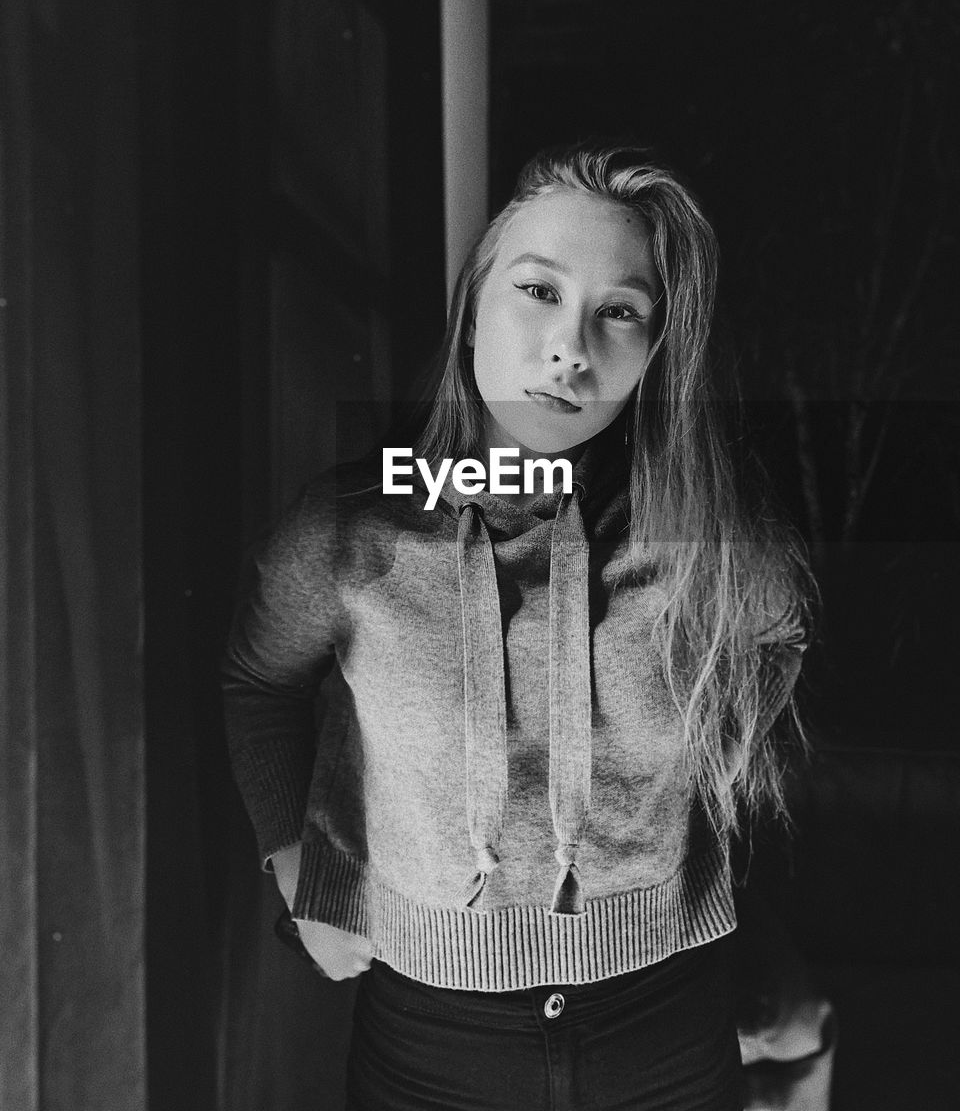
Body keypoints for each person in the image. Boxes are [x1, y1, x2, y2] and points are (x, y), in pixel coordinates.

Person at [221, 142, 814, 1110]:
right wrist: (295, 865)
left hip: (665, 1024)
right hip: (429, 1037)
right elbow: (260, 681)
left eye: (620, 311)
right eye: (538, 290)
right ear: (473, 309)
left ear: (658, 352)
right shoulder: (350, 531)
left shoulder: (718, 547)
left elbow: (773, 647)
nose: (571, 346)